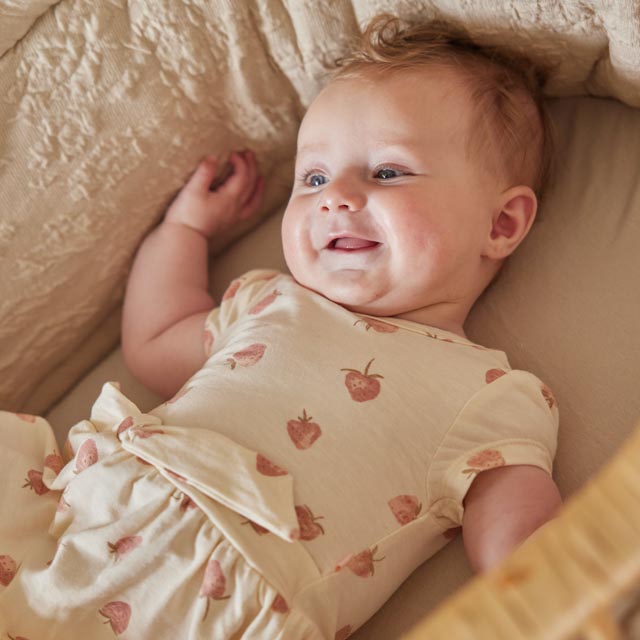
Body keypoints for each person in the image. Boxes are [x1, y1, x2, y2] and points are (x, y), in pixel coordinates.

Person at [0, 13, 562, 639]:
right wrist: (183, 232)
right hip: (84, 523)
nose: (334, 196)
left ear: (501, 224)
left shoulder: (487, 396)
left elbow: (522, 550)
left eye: (388, 171)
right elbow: (156, 341)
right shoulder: (268, 300)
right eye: (314, 177)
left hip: (218, 602)